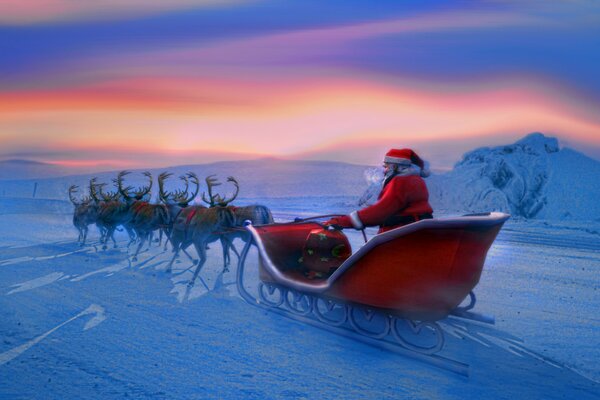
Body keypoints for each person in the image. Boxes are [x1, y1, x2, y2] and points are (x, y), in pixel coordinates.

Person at [326, 148, 433, 233]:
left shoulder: (401, 182)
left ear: (396, 167)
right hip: (413, 232)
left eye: (386, 166)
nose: (384, 171)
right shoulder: (416, 180)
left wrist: (345, 221)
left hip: (399, 236)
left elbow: (381, 211)